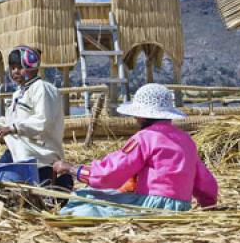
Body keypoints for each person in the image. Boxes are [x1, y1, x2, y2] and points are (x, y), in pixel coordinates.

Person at [53, 83, 218, 217]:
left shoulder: (145, 138)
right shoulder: (186, 140)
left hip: (153, 206)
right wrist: (208, 205)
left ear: (142, 115)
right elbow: (205, 181)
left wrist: (74, 169)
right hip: (182, 207)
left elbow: (111, 174)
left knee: (82, 200)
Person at [0, 46, 72, 191]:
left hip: (39, 157)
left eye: (20, 67)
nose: (15, 71)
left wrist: (13, 128)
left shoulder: (42, 88)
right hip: (17, 153)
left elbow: (43, 121)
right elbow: (6, 123)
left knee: (37, 196)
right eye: (12, 68)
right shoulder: (17, 94)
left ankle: (59, 184)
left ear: (33, 67)